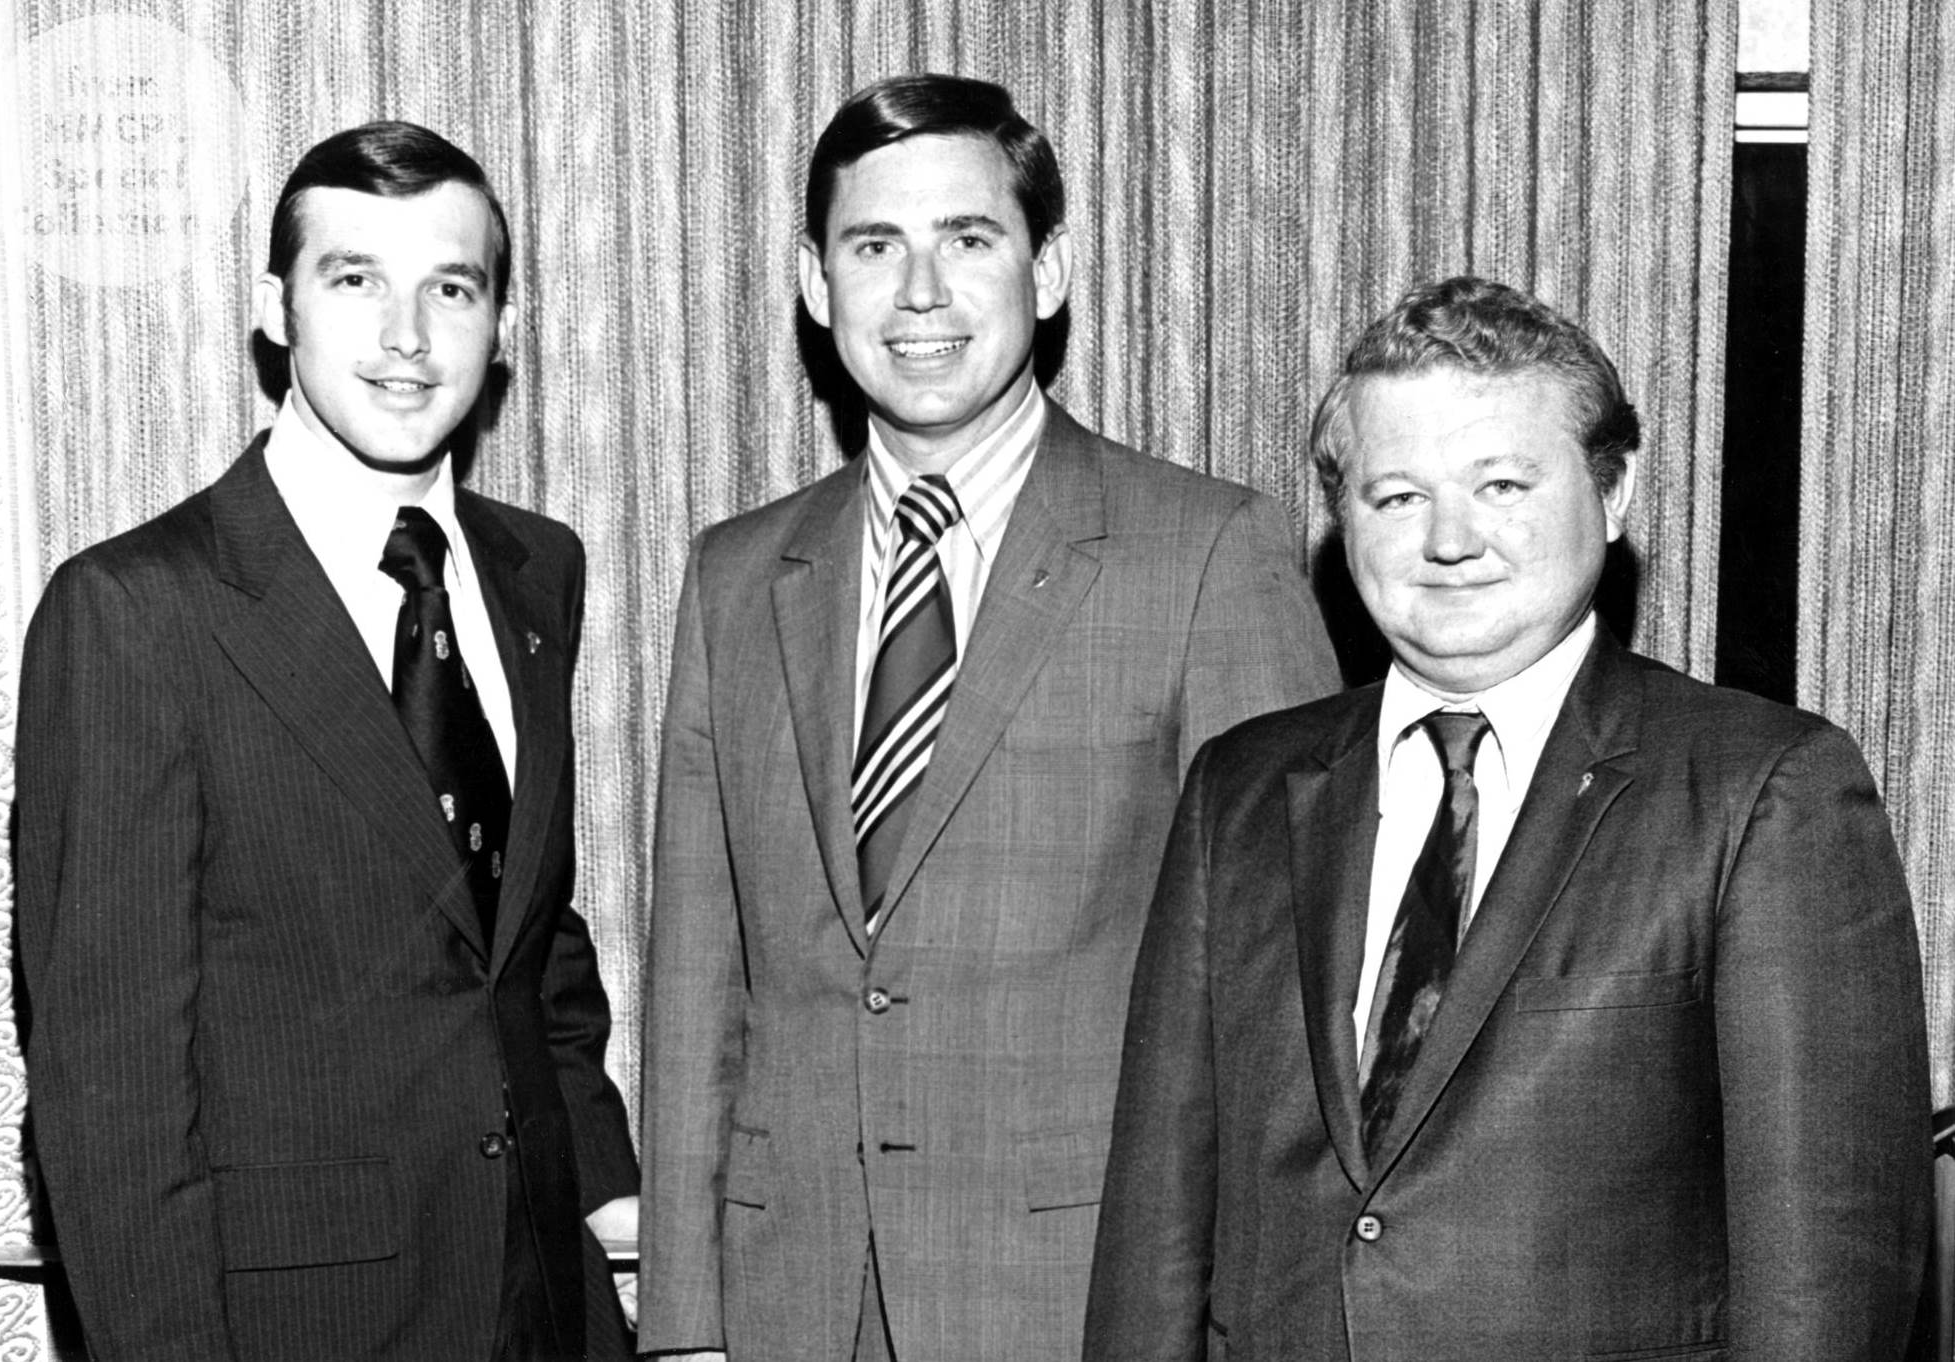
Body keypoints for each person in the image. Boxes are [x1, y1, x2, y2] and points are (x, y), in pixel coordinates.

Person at [1083, 275, 1934, 1360]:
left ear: (1611, 494)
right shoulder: (1238, 789)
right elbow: (1155, 1235)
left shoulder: (1762, 790)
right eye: (1397, 497)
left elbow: (1823, 1277)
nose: (1449, 540)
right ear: (1341, 520)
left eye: (1500, 485)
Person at [636, 74, 1338, 1362]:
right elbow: (697, 974)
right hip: (792, 1300)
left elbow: (1283, 995)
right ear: (813, 284)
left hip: (1081, 1297)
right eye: (872, 247)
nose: (919, 293)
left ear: (1046, 270)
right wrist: (684, 1323)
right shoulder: (735, 577)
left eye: (967, 239)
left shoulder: (1204, 554)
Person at [15, 121, 638, 1361]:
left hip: (545, 1302)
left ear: (502, 326)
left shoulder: (537, 570)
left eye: (449, 289)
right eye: (354, 279)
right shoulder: (137, 609)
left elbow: (526, 930)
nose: (406, 337)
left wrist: (606, 1194)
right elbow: (110, 1087)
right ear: (275, 310)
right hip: (294, 1320)